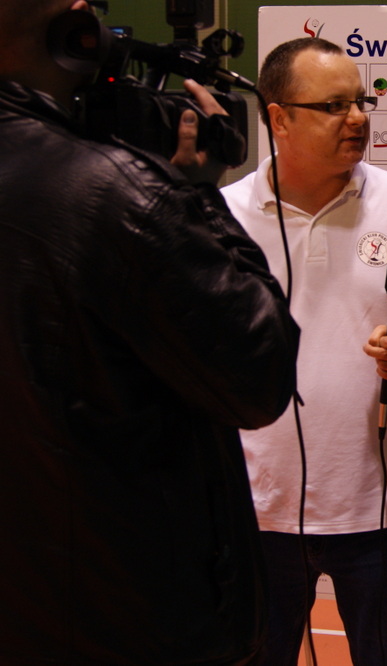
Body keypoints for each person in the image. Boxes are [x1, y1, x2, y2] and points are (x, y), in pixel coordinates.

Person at [0, 1, 300, 664]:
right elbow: (259, 374)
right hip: (133, 618)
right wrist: (195, 198)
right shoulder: (116, 195)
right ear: (77, 28)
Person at [222, 37, 387, 666]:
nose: (357, 118)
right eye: (334, 106)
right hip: (254, 515)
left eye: (361, 102)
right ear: (279, 117)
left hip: (386, 510)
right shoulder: (221, 218)